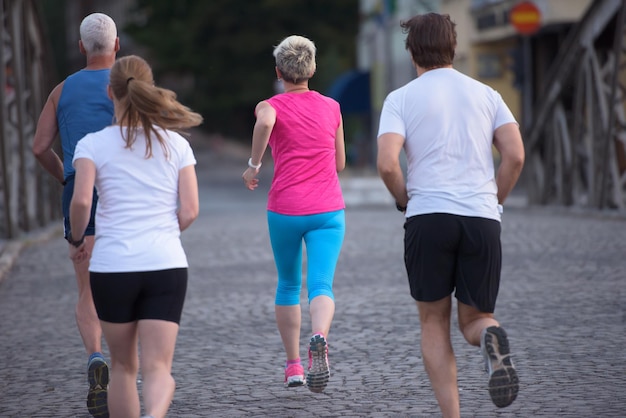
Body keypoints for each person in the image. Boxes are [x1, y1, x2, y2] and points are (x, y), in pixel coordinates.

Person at [376, 13, 525, 417]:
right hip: (481, 218)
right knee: (477, 318)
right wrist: (495, 202)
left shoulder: (401, 99)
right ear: (453, 48)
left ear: (411, 52)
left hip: (428, 218)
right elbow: (515, 155)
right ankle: (492, 336)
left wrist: (406, 200)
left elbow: (388, 164)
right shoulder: (487, 95)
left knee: (433, 323)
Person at [68, 54, 202, 418]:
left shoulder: (92, 145)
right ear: (149, 88)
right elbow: (189, 210)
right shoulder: (176, 144)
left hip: (112, 267)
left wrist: (78, 239)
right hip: (165, 265)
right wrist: (161, 232)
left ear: (109, 92)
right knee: (160, 369)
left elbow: (81, 201)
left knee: (124, 367)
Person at [242, 35, 346, 393]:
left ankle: (294, 367)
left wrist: (254, 165)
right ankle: (318, 336)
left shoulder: (270, 105)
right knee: (321, 284)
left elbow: (265, 121)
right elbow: (341, 162)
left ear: (278, 72)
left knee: (288, 284)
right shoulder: (331, 107)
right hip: (329, 209)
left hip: (285, 209)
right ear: (312, 69)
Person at [32, 12, 119, 417]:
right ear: (117, 46)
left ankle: (95, 356)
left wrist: (66, 179)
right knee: (126, 279)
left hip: (78, 193)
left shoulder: (61, 89)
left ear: (82, 47)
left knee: (87, 287)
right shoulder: (129, 87)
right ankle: (126, 366)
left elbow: (38, 148)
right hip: (123, 193)